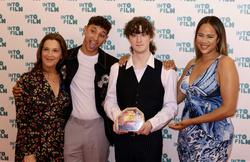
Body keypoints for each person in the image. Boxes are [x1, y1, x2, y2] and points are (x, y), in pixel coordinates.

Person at [13, 16, 118, 162]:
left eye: (101, 35)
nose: (95, 37)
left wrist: (127, 59)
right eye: (92, 31)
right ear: (84, 30)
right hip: (70, 126)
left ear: (105, 38)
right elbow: (43, 75)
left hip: (98, 127)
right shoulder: (66, 58)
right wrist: (21, 87)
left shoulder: (112, 64)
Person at [104, 17, 178, 162]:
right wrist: (120, 119)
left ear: (150, 37)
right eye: (134, 35)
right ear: (128, 38)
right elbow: (110, 101)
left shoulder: (166, 71)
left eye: (143, 34)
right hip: (122, 140)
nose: (138, 40)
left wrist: (151, 124)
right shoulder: (116, 69)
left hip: (151, 140)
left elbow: (171, 107)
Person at [167, 16, 239, 161]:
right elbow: (175, 97)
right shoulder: (192, 63)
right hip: (188, 137)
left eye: (210, 36)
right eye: (200, 35)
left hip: (213, 138)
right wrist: (167, 71)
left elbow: (229, 109)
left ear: (218, 39)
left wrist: (192, 121)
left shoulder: (224, 63)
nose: (204, 41)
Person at [15, 33, 70, 162]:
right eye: (46, 49)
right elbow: (22, 120)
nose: (49, 54)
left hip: (58, 148)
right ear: (40, 52)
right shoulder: (27, 79)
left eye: (55, 50)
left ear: (61, 55)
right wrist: (28, 153)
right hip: (33, 149)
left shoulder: (65, 78)